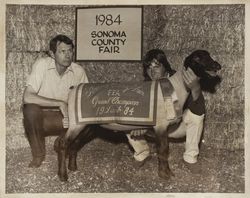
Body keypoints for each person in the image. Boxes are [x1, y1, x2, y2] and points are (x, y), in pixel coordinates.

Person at [128, 49, 205, 173]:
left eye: (156, 66)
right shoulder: (145, 85)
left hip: (177, 127)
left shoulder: (180, 79)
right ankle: (142, 153)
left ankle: (190, 157)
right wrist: (138, 123)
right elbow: (137, 109)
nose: (152, 71)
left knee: (196, 116)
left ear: (165, 66)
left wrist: (196, 88)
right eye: (148, 67)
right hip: (155, 129)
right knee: (124, 120)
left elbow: (199, 110)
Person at [23, 34, 89, 168]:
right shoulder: (42, 65)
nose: (67, 55)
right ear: (52, 54)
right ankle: (38, 155)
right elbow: (27, 97)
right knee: (30, 110)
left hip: (65, 117)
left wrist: (72, 116)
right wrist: (60, 103)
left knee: (89, 120)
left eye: (70, 51)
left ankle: (72, 153)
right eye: (62, 51)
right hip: (43, 117)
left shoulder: (78, 71)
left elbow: (86, 100)